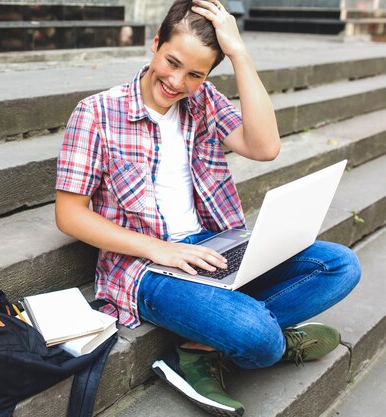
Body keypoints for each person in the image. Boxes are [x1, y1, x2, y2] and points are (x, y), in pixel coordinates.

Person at [55, 0, 361, 415]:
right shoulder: (96, 113)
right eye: (172, 62)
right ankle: (258, 340)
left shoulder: (204, 102)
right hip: (144, 268)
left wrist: (240, 54)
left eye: (195, 74)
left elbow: (264, 146)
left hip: (213, 246)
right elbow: (69, 214)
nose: (177, 82)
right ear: (155, 42)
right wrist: (158, 249)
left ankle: (211, 341)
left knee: (340, 265)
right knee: (257, 336)